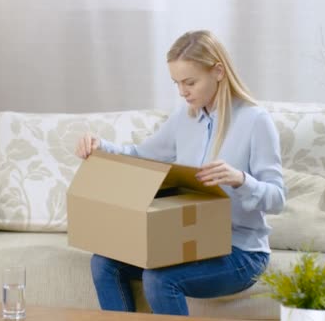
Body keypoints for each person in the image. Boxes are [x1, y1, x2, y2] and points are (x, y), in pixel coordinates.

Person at [74, 30, 286, 316]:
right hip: (192, 242)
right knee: (104, 263)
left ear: (218, 72)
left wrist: (241, 180)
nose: (182, 92)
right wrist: (101, 147)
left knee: (160, 278)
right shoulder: (184, 118)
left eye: (190, 82)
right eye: (177, 83)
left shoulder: (255, 121)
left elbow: (277, 198)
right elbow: (141, 155)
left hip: (241, 253)